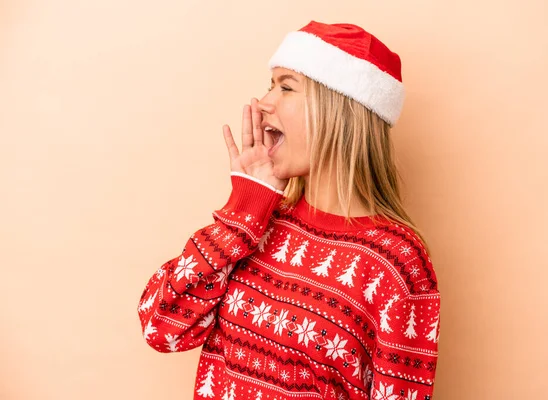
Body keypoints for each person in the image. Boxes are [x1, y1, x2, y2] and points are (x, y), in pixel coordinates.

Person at [138, 21, 440, 400]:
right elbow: (160, 327)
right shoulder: (255, 225)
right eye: (270, 85)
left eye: (286, 86)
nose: (264, 102)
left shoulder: (397, 263)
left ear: (338, 110)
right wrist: (243, 212)